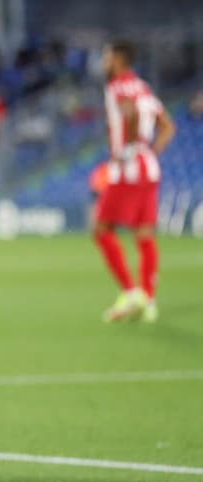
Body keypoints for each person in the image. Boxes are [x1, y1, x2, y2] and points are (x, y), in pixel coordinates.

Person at [94, 40, 175, 323]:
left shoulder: (118, 86)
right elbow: (168, 126)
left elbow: (130, 112)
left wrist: (129, 146)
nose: (104, 62)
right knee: (144, 234)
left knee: (101, 229)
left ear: (118, 59)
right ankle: (149, 301)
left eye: (106, 57)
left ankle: (130, 292)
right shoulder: (143, 87)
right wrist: (149, 151)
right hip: (149, 166)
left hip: (128, 166)